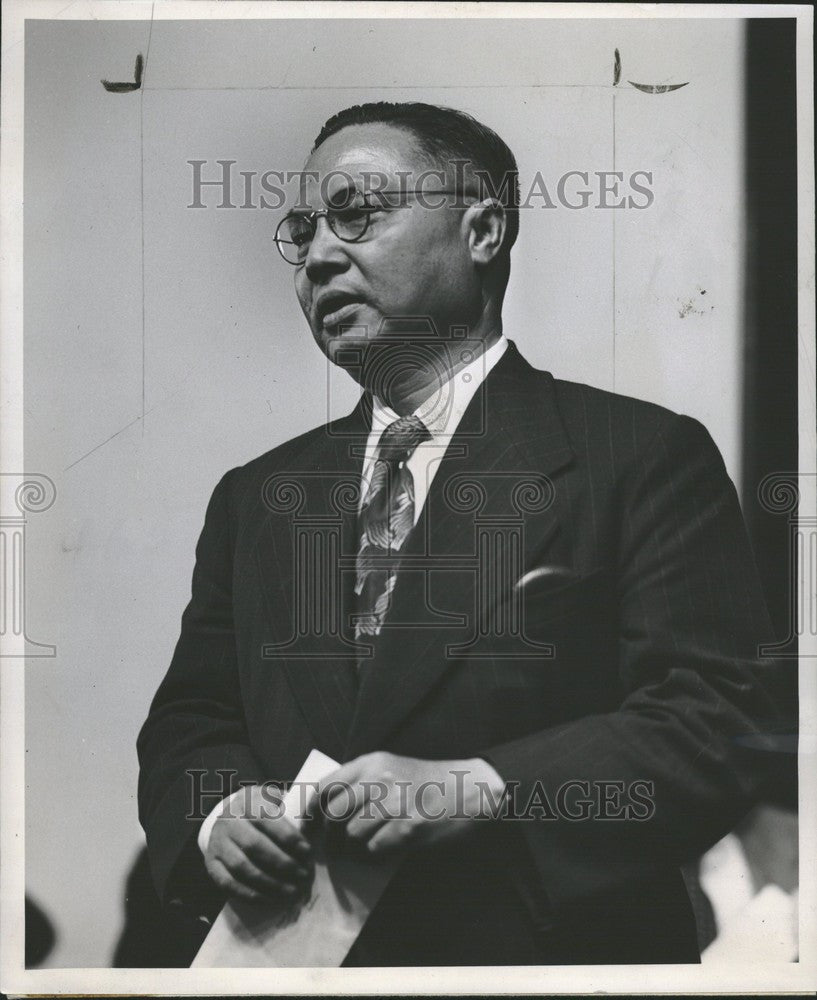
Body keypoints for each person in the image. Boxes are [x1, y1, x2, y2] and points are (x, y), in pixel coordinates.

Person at [137, 102, 791, 966]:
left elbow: (715, 719)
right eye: (302, 233)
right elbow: (192, 718)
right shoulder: (256, 495)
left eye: (357, 215)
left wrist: (482, 789)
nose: (320, 256)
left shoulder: (636, 455)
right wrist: (221, 814)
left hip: (543, 963)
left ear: (481, 230)